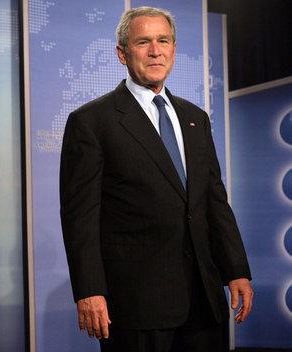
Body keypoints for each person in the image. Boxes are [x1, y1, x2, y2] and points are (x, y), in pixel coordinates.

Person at [59, 6, 253, 351]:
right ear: (122, 53)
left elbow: (212, 201)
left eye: (163, 41)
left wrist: (236, 269)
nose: (155, 51)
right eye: (143, 42)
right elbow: (81, 216)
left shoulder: (196, 118)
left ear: (174, 49)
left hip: (204, 300)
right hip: (135, 303)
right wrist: (90, 289)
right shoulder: (91, 121)